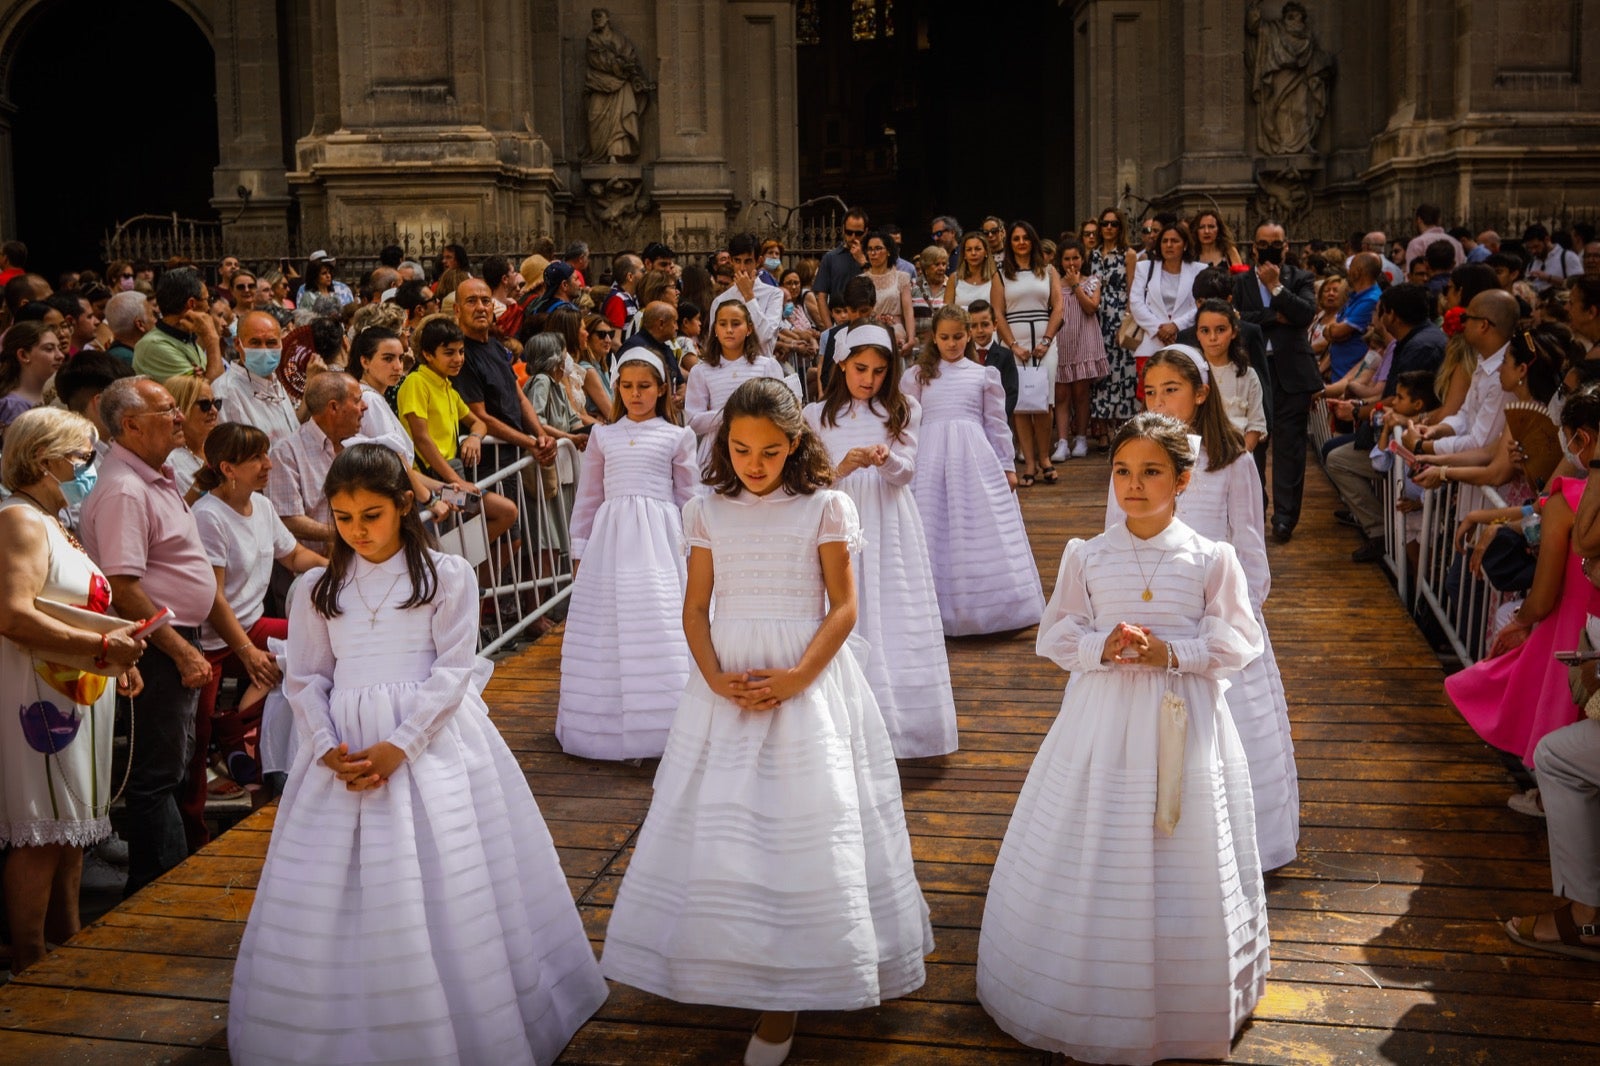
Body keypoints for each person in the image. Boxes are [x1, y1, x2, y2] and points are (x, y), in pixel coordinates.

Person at [228, 443, 608, 1062]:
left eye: (371, 516)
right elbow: (307, 677)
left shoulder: (445, 575)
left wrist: (401, 745)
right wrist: (325, 746)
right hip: (343, 747)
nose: (358, 531)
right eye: (345, 519)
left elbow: (455, 669)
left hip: (427, 741)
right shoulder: (315, 588)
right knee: (340, 887)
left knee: (443, 873)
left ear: (404, 506)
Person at [600, 378, 932, 1066]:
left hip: (802, 680)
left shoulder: (825, 506)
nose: (754, 464)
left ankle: (787, 995)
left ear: (795, 445)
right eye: (742, 449)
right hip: (727, 683)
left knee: (803, 825)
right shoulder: (707, 511)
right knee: (724, 825)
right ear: (724, 445)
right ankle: (733, 955)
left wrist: (798, 678)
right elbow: (695, 608)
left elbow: (843, 607)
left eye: (771, 451)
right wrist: (715, 676)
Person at [978, 412, 1268, 1064]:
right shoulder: (1089, 553)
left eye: (1151, 472)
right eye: (1122, 471)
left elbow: (1237, 641)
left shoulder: (1209, 558)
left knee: (1183, 838)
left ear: (1183, 479)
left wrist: (1175, 652)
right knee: (1100, 829)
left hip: (1180, 715)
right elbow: (1055, 635)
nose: (1133, 486)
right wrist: (1095, 645)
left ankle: (1184, 996)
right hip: (1102, 719)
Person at [83, 377, 278, 894]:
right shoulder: (125, 488)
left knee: (173, 765)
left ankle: (167, 878)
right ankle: (158, 888)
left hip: (176, 639)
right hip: (157, 648)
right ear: (130, 425)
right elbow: (122, 587)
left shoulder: (158, 475)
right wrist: (181, 648)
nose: (179, 417)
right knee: (158, 774)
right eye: (167, 410)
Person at [1123, 346, 1297, 869]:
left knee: (1223, 732)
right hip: (1154, 608)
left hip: (1214, 614)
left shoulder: (1231, 464)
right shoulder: (1136, 459)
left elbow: (1249, 547)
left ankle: (1234, 845)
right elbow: (1120, 533)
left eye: (1171, 390)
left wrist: (1240, 616)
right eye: (1150, 392)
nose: (1159, 401)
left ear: (1201, 394)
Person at [0, 408, 145, 974]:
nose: (91, 468)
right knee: (41, 829)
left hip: (75, 693)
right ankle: (32, 958)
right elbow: (12, 614)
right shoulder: (19, 521)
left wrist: (111, 653)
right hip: (36, 697)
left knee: (68, 832)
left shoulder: (56, 520)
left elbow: (73, 609)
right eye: (83, 457)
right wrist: (103, 652)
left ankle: (69, 938)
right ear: (43, 460)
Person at [804, 324, 957, 759]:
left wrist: (887, 461)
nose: (868, 379)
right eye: (860, 368)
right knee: (844, 604)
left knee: (890, 605)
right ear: (841, 365)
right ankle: (842, 726)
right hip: (837, 518)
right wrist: (844, 465)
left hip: (888, 518)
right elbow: (812, 479)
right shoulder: (817, 415)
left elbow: (908, 470)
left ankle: (898, 725)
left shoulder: (903, 408)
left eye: (878, 370)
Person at [1445, 385, 1600, 779]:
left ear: (1583, 438)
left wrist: (1522, 621)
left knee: (1561, 725)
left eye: (1568, 442)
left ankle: (1550, 799)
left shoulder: (1567, 501)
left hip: (1568, 630)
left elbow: (1544, 594)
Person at [556, 349, 696, 760]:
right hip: (611, 540)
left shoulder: (676, 435)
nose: (636, 394)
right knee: (610, 623)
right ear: (617, 387)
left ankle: (665, 723)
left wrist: (696, 548)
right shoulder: (603, 436)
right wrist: (579, 550)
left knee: (656, 617)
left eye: (645, 387)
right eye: (628, 386)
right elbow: (588, 497)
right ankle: (610, 726)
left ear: (661, 389)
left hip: (660, 539)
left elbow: (690, 496)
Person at [188, 424, 325, 808]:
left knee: (319, 644)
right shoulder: (208, 517)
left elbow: (295, 556)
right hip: (212, 640)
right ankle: (199, 824)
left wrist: (342, 573)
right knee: (195, 742)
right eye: (256, 459)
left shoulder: (261, 506)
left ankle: (243, 743)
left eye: (266, 455)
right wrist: (247, 651)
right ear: (228, 468)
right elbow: (213, 599)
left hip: (250, 625)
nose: (268, 465)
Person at [902, 306, 1044, 636]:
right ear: (933, 338)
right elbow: (906, 424)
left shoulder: (983, 374)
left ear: (968, 336)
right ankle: (933, 610)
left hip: (974, 456)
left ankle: (991, 608)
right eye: (944, 337)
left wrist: (1007, 465)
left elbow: (996, 423)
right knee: (933, 527)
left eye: (957, 337)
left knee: (978, 524)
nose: (951, 343)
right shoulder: (918, 376)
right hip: (931, 458)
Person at [396, 318, 519, 544]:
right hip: (430, 483)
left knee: (506, 512)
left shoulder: (447, 386)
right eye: (449, 353)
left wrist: (474, 437)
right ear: (428, 354)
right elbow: (422, 439)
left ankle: (464, 567)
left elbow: (478, 423)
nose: (458, 359)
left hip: (450, 480)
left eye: (461, 352)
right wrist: (456, 481)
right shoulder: (417, 382)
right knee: (435, 549)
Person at [1234, 219, 1319, 541]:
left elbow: (1304, 315)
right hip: (1253, 372)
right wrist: (1275, 316)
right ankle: (1256, 509)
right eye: (1263, 243)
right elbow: (1238, 320)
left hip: (1291, 375)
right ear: (1253, 247)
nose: (1269, 248)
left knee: (1289, 450)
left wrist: (1276, 290)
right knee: (1252, 446)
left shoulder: (1300, 278)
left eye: (1276, 243)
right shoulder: (1240, 283)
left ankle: (1284, 518)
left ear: (1286, 247)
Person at [684, 299, 788, 474]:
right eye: (723, 324)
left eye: (736, 323)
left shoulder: (767, 366)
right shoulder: (701, 371)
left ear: (749, 329)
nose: (729, 330)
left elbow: (781, 411)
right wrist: (731, 414)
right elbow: (693, 421)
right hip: (716, 450)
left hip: (758, 445)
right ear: (715, 330)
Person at [1128, 220, 1205, 384]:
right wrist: (1159, 329)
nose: (1169, 245)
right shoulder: (1144, 267)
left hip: (1185, 341)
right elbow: (1136, 302)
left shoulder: (1199, 270)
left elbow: (1202, 304)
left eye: (1175, 241)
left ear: (1184, 245)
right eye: (1165, 241)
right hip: (1151, 342)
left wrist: (1176, 326)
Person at [1051, 238, 1106, 461]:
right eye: (1067, 259)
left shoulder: (1092, 281)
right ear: (1060, 261)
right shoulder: (1053, 284)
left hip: (1084, 339)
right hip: (1062, 339)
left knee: (1081, 392)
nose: (1071, 263)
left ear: (1082, 259)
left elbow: (1092, 307)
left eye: (1075, 258)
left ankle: (1081, 438)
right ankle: (1063, 441)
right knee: (1061, 393)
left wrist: (1075, 285)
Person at [210, 310, 299, 445]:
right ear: (237, 344)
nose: (264, 350)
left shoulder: (276, 381)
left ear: (281, 343)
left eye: (271, 342)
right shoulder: (226, 392)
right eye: (255, 342)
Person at [1090, 207, 1138, 440]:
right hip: (1096, 317)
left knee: (1122, 369)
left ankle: (1122, 427)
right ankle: (1101, 426)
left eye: (1114, 224)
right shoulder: (1093, 254)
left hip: (1118, 315)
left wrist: (1127, 321)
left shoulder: (1128, 254)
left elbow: (1132, 290)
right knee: (1101, 370)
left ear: (1121, 228)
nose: (1108, 228)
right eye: (1104, 223)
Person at [130, 267, 225, 382]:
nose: (208, 307)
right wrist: (212, 339)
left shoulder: (185, 337)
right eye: (207, 300)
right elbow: (214, 389)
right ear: (192, 304)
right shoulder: (155, 346)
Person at [0, 321, 65, 441]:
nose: (60, 355)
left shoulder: (47, 395)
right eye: (49, 349)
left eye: (59, 348)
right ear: (24, 355)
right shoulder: (14, 406)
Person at [162, 372, 221, 504]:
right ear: (180, 409)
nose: (214, 411)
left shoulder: (220, 446)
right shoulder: (168, 461)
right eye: (205, 405)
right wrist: (202, 482)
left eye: (216, 403)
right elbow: (179, 513)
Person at [858, 231, 915, 358]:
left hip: (896, 333)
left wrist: (911, 339)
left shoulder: (902, 277)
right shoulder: (861, 280)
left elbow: (908, 311)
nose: (873, 253)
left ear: (888, 251)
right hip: (869, 332)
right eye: (870, 249)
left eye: (878, 248)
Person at [1327, 253, 1383, 379]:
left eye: (1351, 267)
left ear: (1358, 271)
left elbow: (1337, 332)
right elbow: (1333, 330)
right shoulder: (1355, 296)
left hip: (1351, 373)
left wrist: (1334, 332)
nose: (1348, 271)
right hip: (1339, 370)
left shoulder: (1371, 300)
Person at [811, 208, 870, 315]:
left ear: (865, 232)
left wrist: (862, 261)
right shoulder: (831, 258)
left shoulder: (872, 256)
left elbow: (880, 287)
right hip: (840, 319)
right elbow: (821, 297)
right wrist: (829, 328)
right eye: (849, 232)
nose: (853, 237)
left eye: (858, 233)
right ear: (843, 229)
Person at [944, 231, 996, 313]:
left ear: (986, 252)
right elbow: (946, 313)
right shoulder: (954, 278)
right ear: (964, 254)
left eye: (978, 249)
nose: (973, 253)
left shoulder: (995, 278)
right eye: (969, 250)